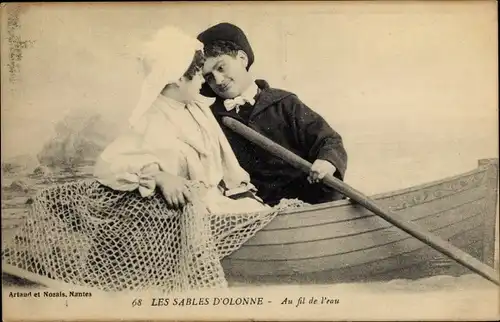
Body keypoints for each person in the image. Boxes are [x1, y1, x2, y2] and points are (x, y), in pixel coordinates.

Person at [93, 26, 268, 213]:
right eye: (199, 75)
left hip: (216, 200)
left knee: (256, 208)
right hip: (185, 210)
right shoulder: (153, 119)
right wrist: (160, 177)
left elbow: (225, 167)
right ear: (178, 78)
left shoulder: (198, 108)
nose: (203, 82)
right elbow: (109, 165)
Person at [197, 22, 348, 206]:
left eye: (221, 68)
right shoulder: (210, 120)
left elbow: (328, 140)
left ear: (242, 59)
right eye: (209, 77)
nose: (218, 80)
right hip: (258, 210)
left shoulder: (284, 103)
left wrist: (326, 162)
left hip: (310, 199)